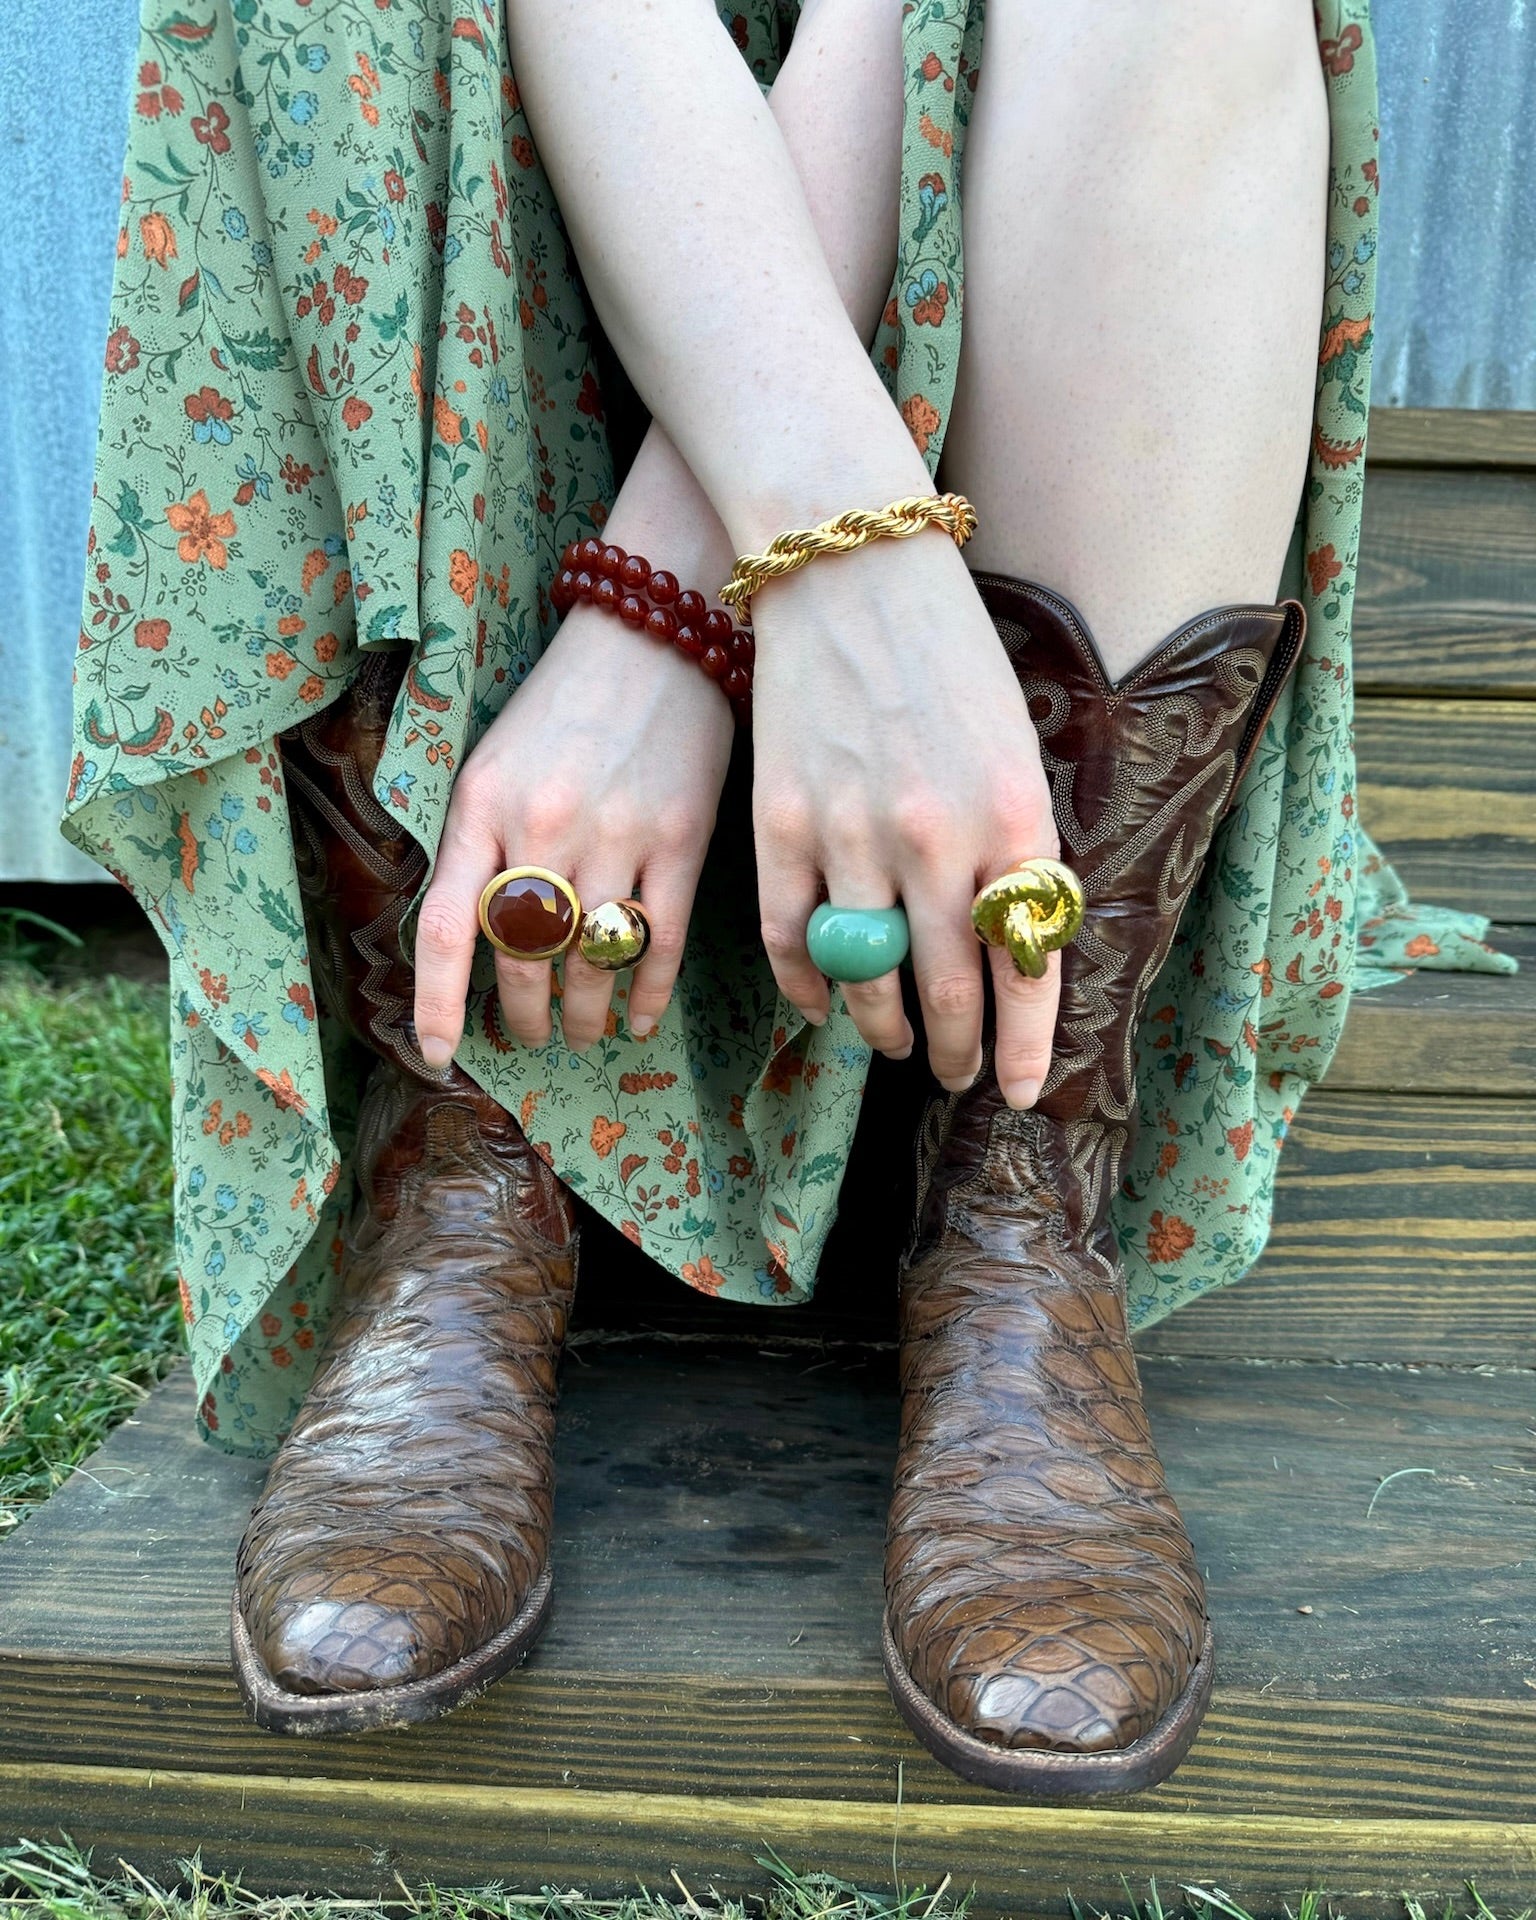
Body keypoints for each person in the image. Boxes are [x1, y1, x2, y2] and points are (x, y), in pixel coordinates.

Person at [67, 0, 1473, 1793]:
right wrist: (721, 595)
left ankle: (1014, 1190)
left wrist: (747, 590)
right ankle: (474, 1141)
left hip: (969, 417)